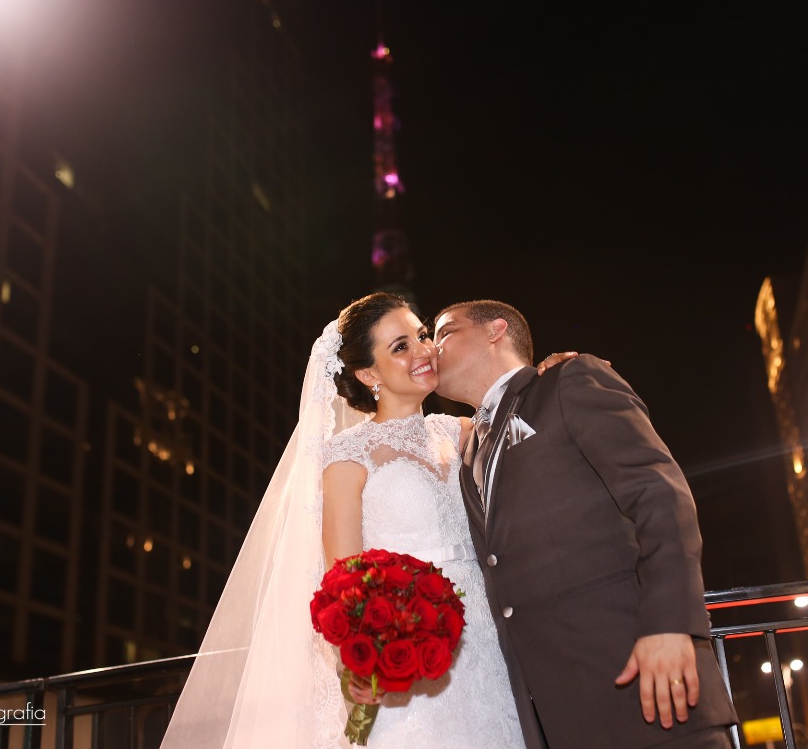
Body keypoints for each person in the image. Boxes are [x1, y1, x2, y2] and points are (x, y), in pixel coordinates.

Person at [159, 292, 575, 749]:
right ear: (368, 373)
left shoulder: (460, 432)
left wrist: (546, 380)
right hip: (409, 644)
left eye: (421, 336)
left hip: (488, 641)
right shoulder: (346, 457)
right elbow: (343, 578)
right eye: (400, 346)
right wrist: (359, 659)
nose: (423, 350)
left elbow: (524, 427)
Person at [431, 299, 739, 749]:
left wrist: (672, 625)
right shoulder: (467, 455)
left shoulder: (569, 380)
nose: (430, 348)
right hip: (558, 717)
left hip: (645, 684)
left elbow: (659, 495)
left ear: (496, 330)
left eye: (443, 332)